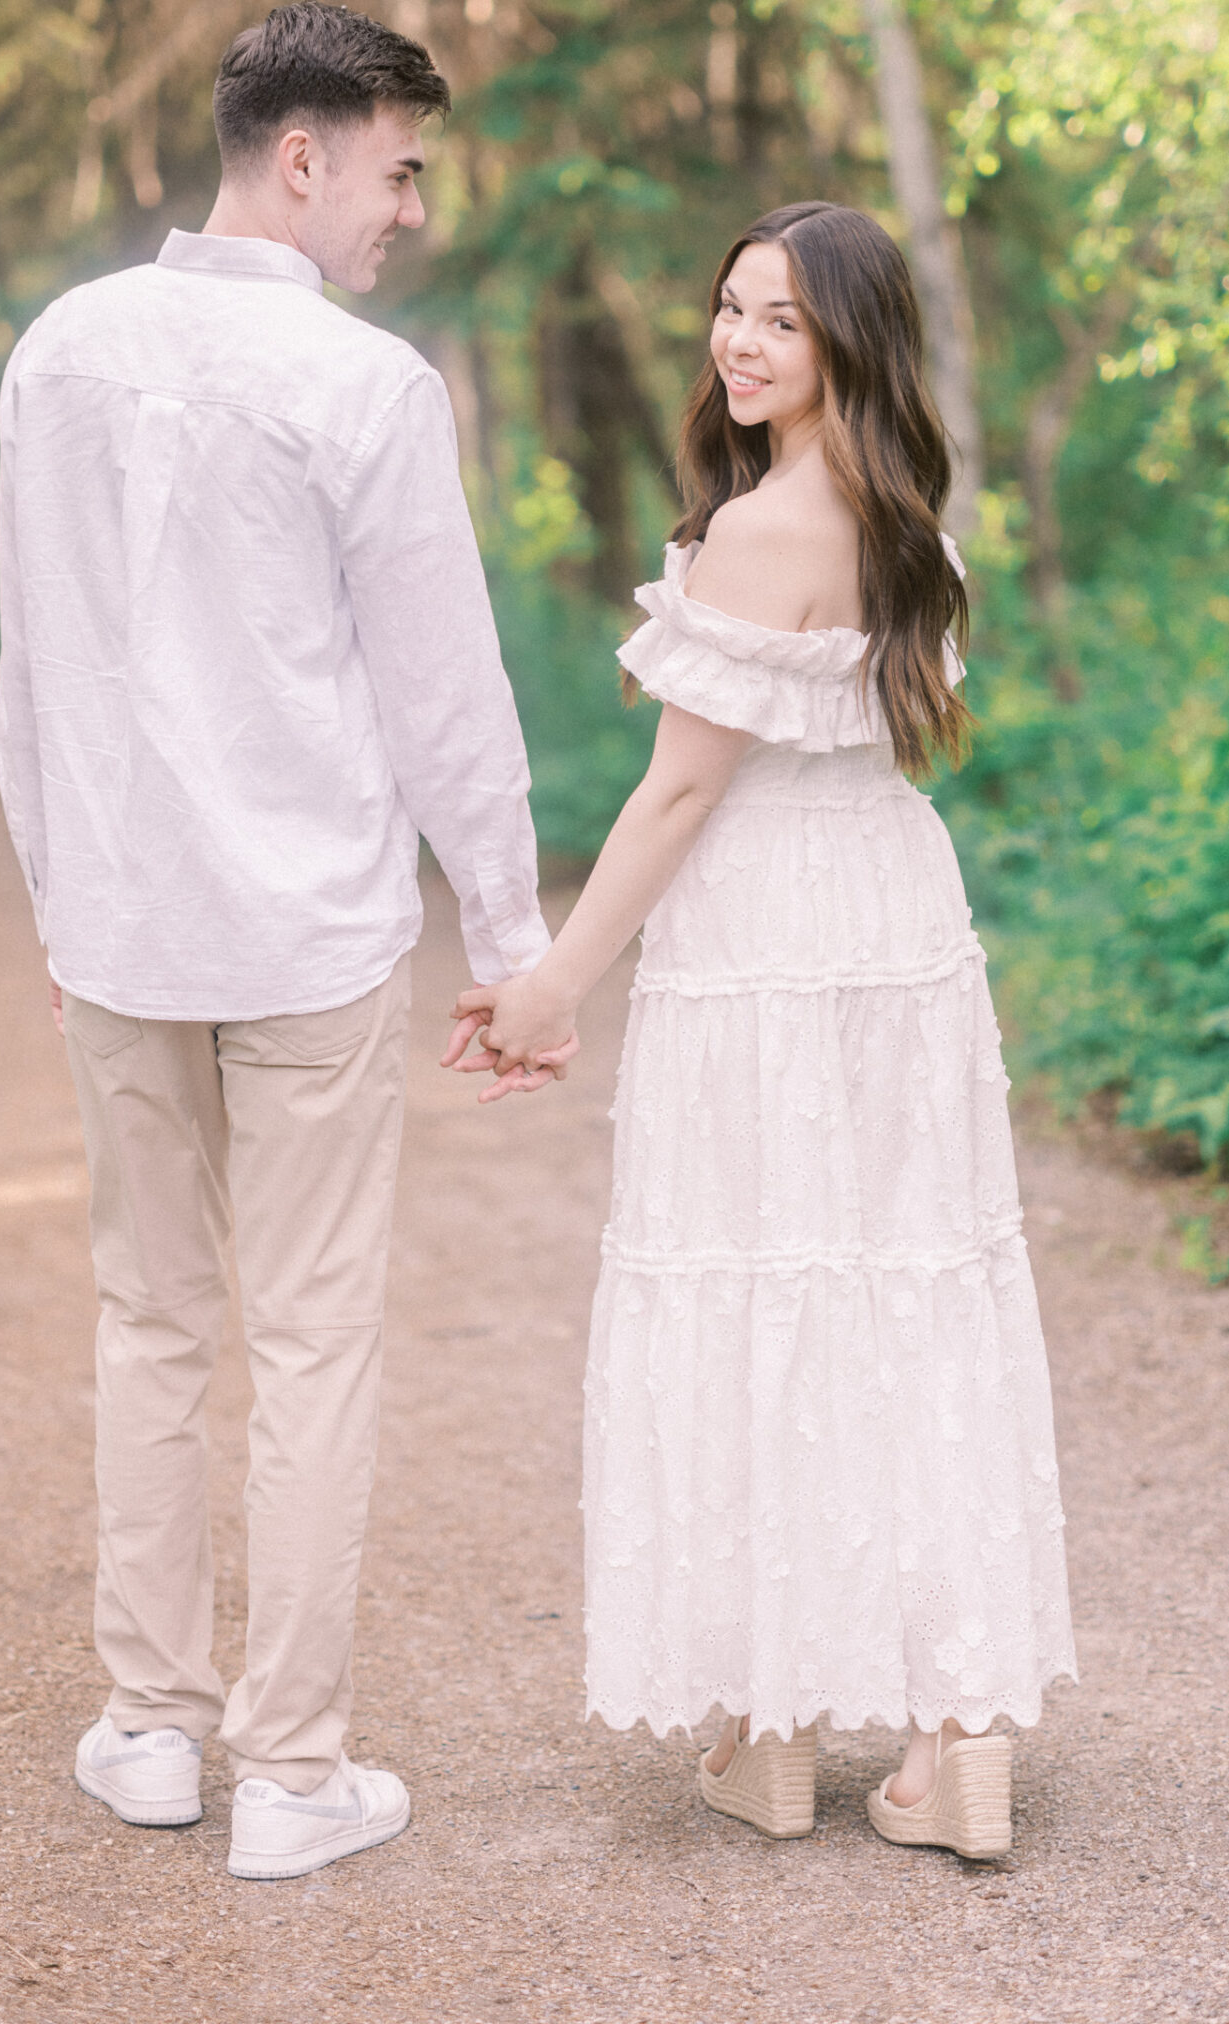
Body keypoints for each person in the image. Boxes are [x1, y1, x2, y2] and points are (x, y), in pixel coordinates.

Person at [0, 1, 554, 1882]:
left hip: (125, 930)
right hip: (307, 935)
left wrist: (53, 891)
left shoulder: (57, 354)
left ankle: (152, 1729)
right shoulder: (365, 387)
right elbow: (442, 691)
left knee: (151, 1323)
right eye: (396, 170)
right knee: (311, 1342)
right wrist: (507, 928)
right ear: (298, 157)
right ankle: (292, 1772)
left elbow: (33, 672)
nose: (407, 214)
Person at [447, 202, 1075, 1857]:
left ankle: (773, 1728)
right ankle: (956, 1739)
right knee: (904, 1292)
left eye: (779, 321)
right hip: (895, 918)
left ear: (844, 344)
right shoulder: (913, 527)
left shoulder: (759, 534)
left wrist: (551, 985)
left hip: (764, 939)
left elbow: (675, 802)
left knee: (756, 1285)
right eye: (728, 309)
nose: (737, 342)